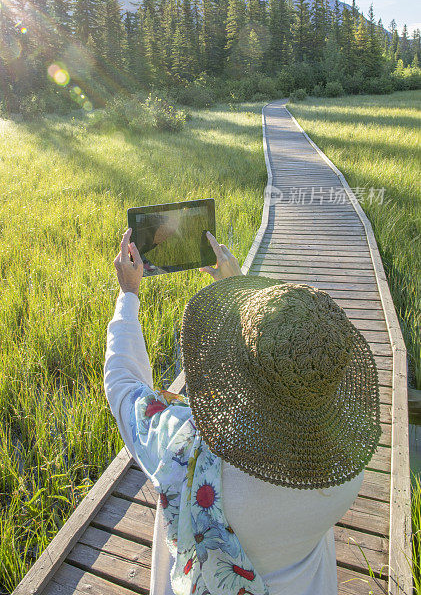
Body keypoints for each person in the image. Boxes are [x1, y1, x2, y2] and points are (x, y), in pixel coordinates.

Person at [104, 228, 381, 595]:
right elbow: (287, 369)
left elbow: (123, 386)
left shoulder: (188, 450)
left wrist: (129, 295)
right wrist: (239, 289)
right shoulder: (345, 465)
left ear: (233, 367)